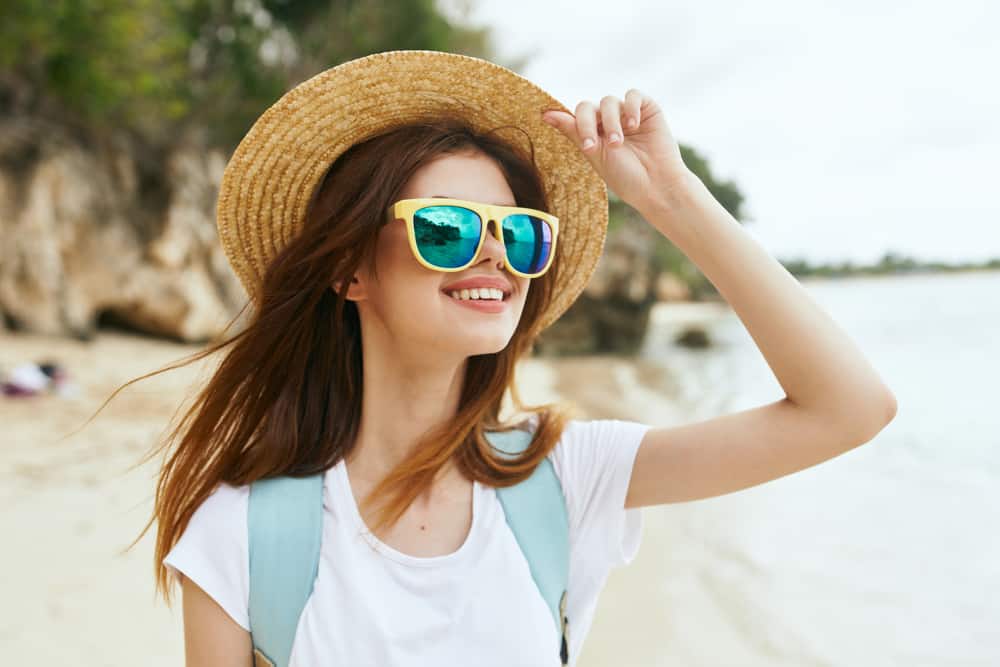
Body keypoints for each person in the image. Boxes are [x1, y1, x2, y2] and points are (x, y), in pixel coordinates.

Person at [117, 50, 895, 666]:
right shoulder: (243, 529)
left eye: (518, 232)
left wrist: (671, 197)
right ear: (350, 270)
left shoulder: (564, 475)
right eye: (447, 228)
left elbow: (849, 409)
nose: (494, 253)